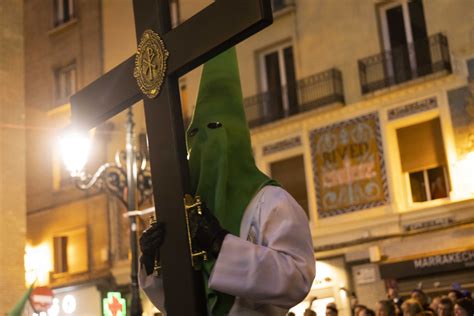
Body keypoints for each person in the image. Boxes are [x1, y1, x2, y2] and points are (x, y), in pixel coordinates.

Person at [138, 48, 315, 316]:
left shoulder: (271, 201)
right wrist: (153, 263)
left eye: (215, 129)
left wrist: (221, 243)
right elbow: (173, 303)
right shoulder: (188, 210)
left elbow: (298, 279)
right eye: (195, 134)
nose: (205, 144)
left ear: (237, 140)